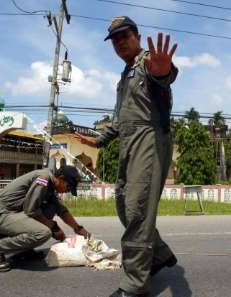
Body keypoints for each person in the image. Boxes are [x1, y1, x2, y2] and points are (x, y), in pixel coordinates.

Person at [74, 16, 178, 297]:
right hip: (129, 143)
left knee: (137, 211)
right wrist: (98, 139)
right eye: (115, 39)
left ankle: (135, 284)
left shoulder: (147, 62)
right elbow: (120, 120)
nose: (120, 42)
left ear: (137, 36)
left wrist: (163, 70)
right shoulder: (125, 74)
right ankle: (160, 254)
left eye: (125, 36)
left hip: (150, 140)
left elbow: (164, 74)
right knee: (123, 205)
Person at [0, 165, 91, 272]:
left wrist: (78, 228)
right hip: (0, 216)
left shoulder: (50, 184)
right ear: (61, 179)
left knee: (51, 207)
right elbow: (31, 210)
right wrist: (53, 227)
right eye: (68, 187)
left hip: (13, 215)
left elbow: (61, 209)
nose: (67, 191)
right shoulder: (43, 179)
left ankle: (23, 251)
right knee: (43, 233)